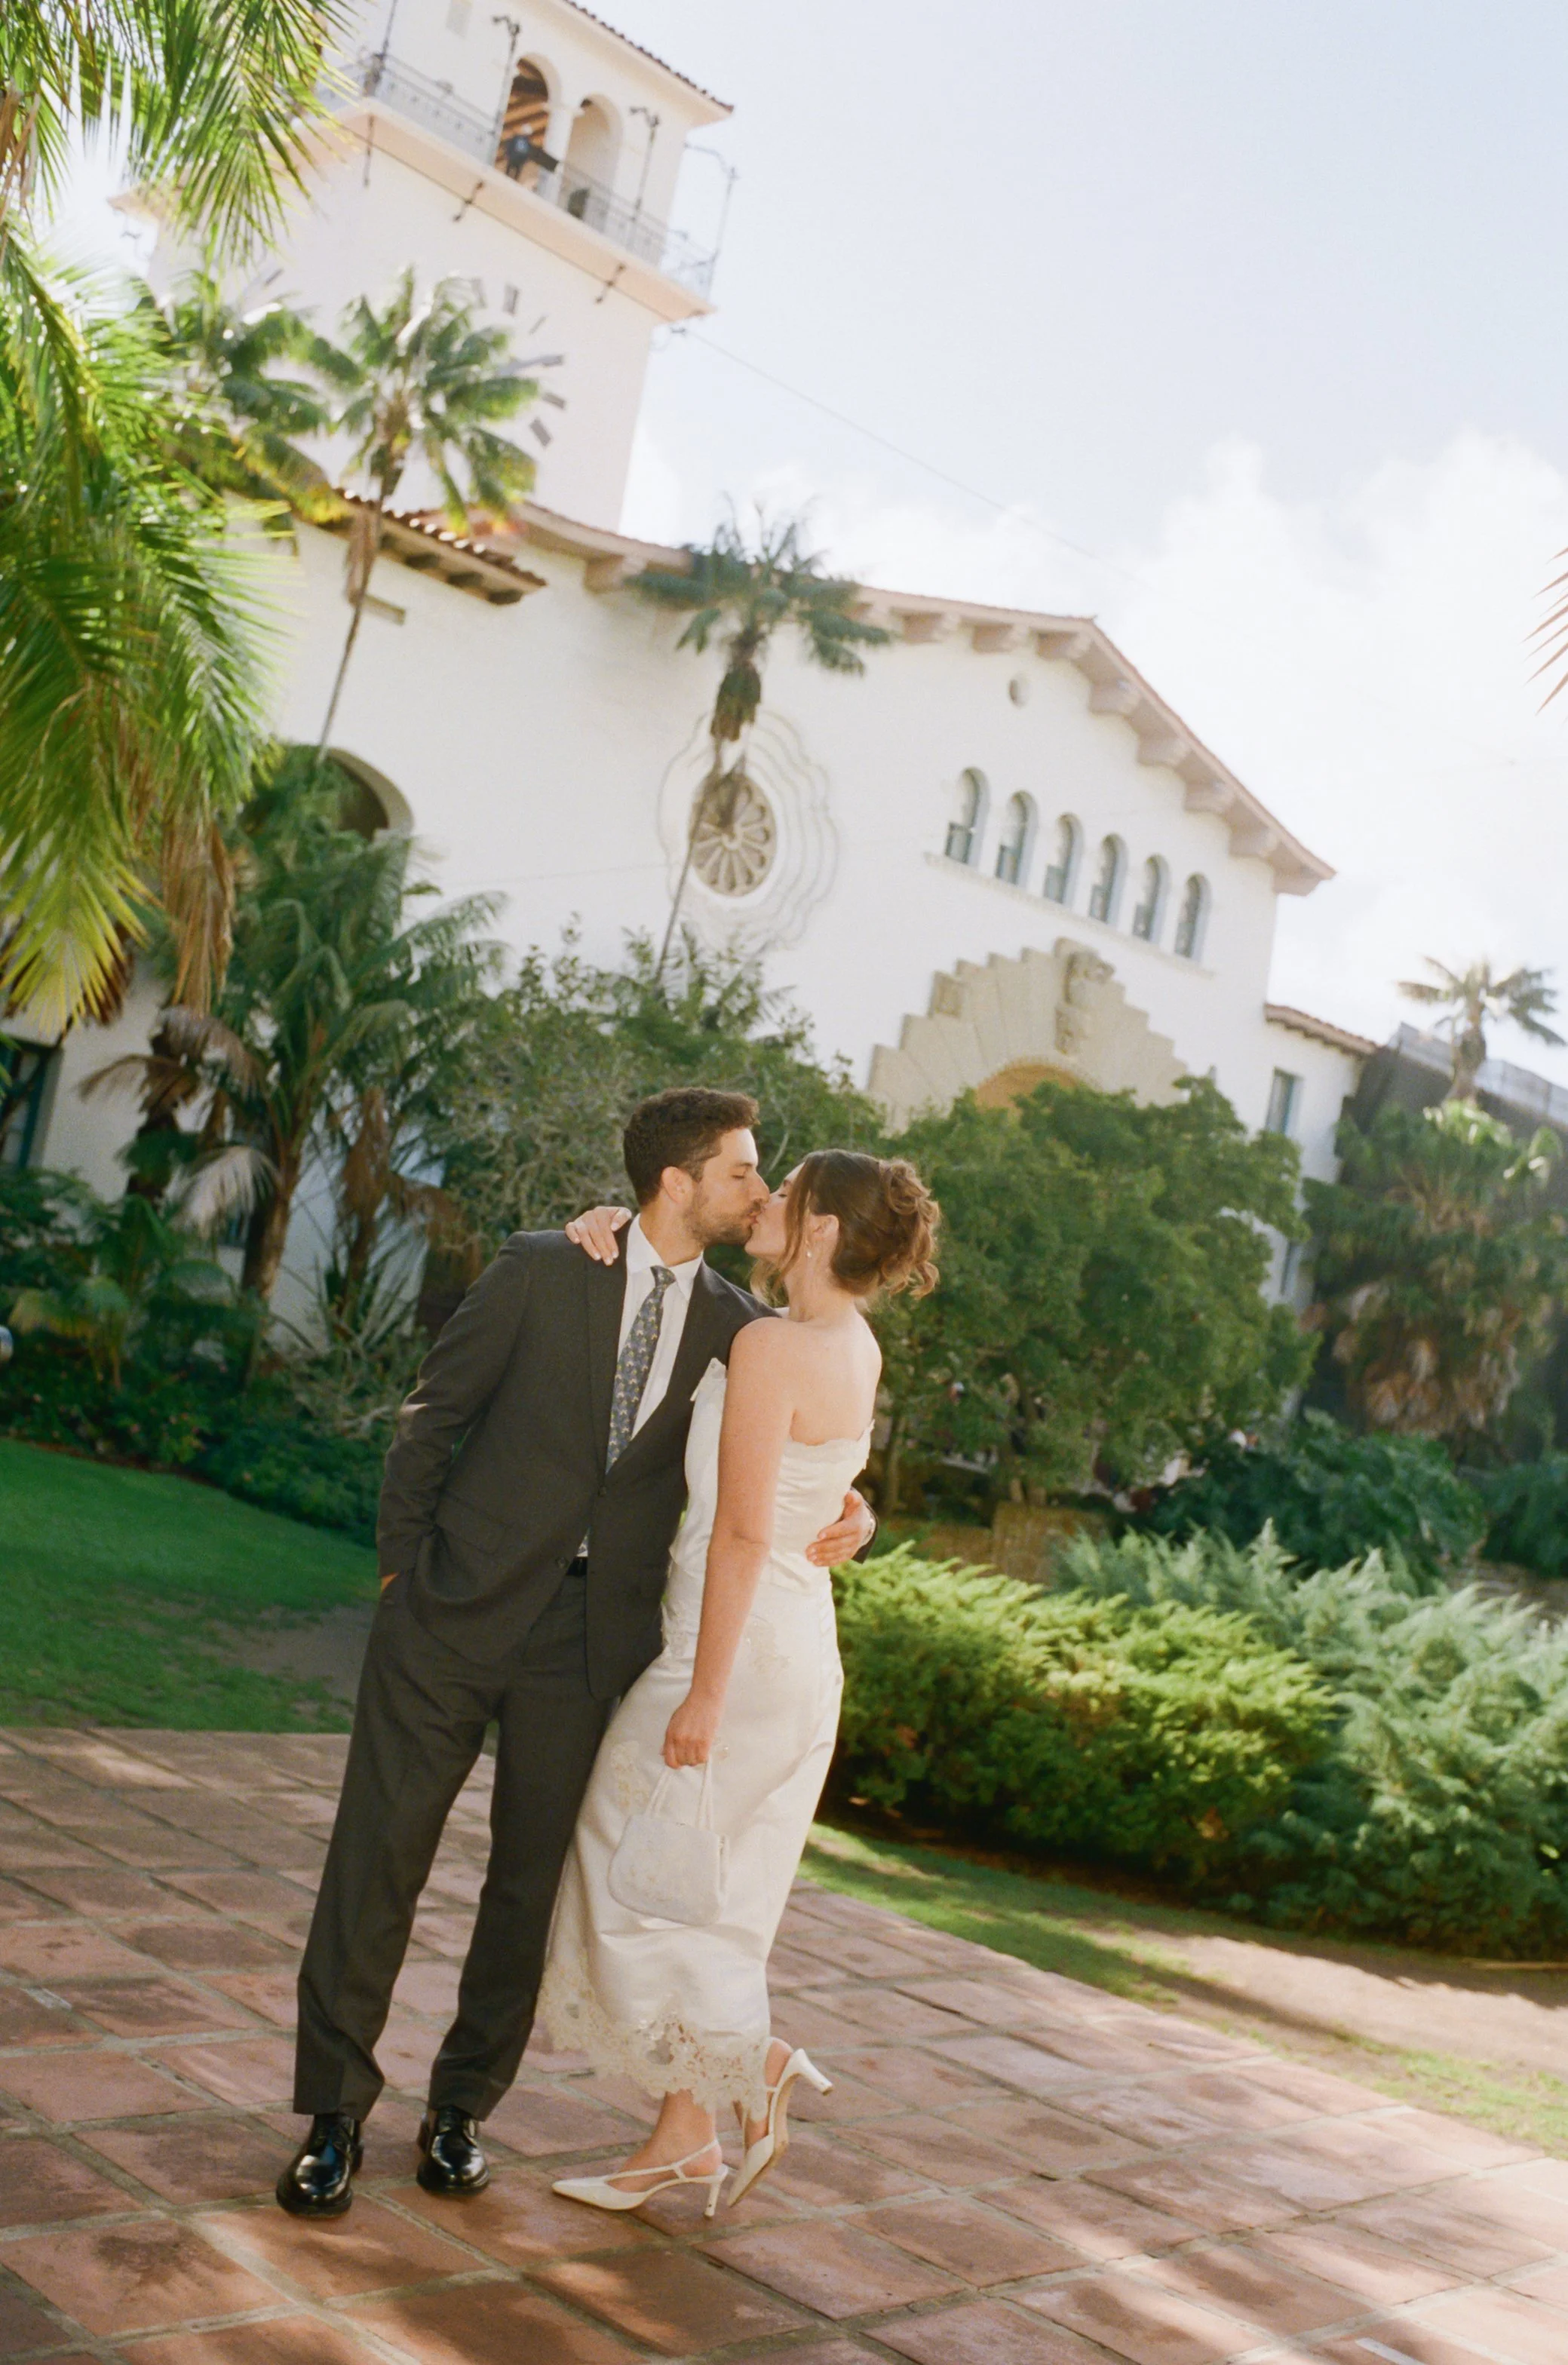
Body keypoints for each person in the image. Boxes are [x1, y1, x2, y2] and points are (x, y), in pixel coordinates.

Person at [277, 1089, 874, 2217]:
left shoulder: (739, 1328)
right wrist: (405, 1572)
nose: (760, 1190)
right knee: (377, 1862)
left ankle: (459, 2111)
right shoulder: (543, 1267)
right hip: (451, 1614)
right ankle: (332, 2117)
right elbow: (432, 1416)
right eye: (743, 1172)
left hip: (592, 1644)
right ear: (675, 1183)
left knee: (528, 1887)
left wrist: (861, 1511)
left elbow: (802, 1441)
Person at [539, 1150, 938, 2215]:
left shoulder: (771, 1345)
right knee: (711, 1893)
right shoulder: (850, 1344)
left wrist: (701, 1695)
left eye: (785, 1189)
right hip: (796, 1654)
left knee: (618, 1863)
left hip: (731, 1650)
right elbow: (825, 1483)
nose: (765, 1200)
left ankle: (752, 2065)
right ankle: (685, 2138)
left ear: (815, 1231)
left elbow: (745, 1532)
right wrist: (860, 1511)